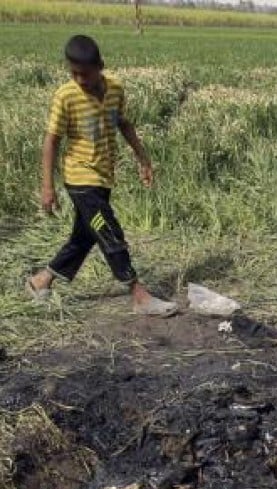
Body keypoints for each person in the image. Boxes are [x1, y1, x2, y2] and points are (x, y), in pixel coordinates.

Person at [26, 35, 177, 317]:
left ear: (100, 66)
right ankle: (139, 295)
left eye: (85, 73)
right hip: (80, 179)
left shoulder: (116, 89)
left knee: (84, 236)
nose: (80, 79)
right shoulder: (66, 96)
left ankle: (40, 281)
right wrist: (47, 186)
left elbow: (123, 123)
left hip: (104, 176)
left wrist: (143, 158)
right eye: (74, 73)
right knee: (109, 231)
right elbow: (51, 140)